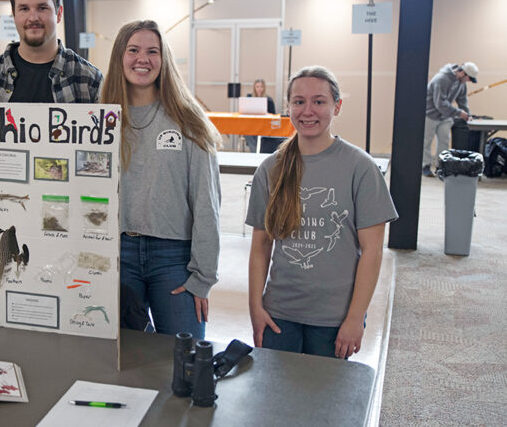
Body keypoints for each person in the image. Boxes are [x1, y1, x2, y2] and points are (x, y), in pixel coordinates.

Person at [246, 66, 397, 359]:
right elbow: (260, 246)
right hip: (279, 315)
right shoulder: (271, 169)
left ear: (336, 106)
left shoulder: (361, 168)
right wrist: (256, 307)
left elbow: (372, 252)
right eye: (299, 102)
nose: (308, 111)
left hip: (334, 319)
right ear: (288, 106)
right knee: (278, 400)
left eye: (319, 101)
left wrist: (355, 318)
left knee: (325, 400)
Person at [102, 20, 222, 339]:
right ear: (120, 57)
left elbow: (207, 204)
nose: (143, 59)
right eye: (134, 50)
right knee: (127, 364)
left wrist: (203, 277)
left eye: (152, 51)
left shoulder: (188, 120)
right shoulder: (100, 120)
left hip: (174, 258)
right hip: (118, 253)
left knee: (186, 360)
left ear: (164, 60)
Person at [423, 62, 478, 177]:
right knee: (426, 142)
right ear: (462, 73)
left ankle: (441, 167)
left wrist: (467, 114)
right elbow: (440, 103)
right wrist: (458, 113)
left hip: (446, 116)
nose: (468, 81)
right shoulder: (441, 79)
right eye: (468, 78)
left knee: (444, 142)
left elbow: (462, 100)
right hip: (430, 115)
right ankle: (425, 166)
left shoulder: (461, 83)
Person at [244, 78, 277, 153]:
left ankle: (257, 152)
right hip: (251, 125)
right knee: (247, 132)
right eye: (257, 87)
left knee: (260, 135)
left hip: (264, 126)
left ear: (264, 88)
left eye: (261, 87)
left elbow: (273, 115)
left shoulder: (269, 100)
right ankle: (255, 152)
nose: (259, 89)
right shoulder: (249, 98)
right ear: (254, 88)